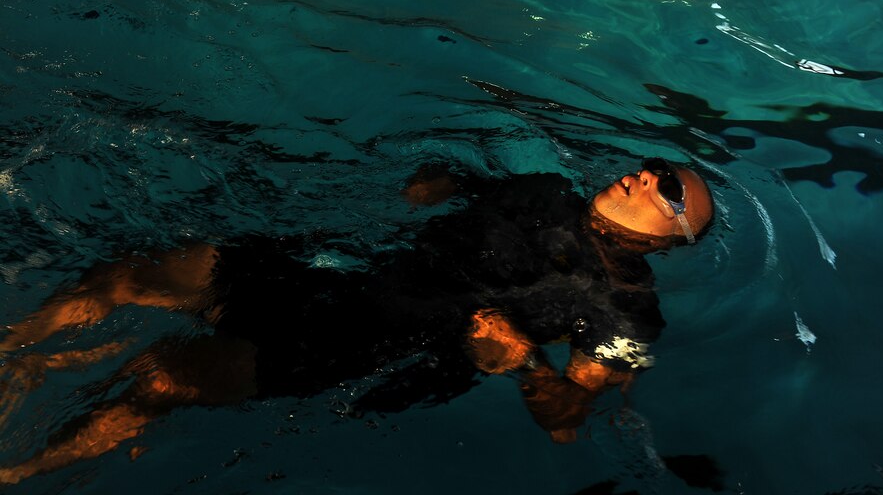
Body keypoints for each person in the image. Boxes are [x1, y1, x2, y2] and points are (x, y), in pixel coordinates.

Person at [0, 157, 714, 484]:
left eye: (669, 186)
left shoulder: (630, 313)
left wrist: (523, 361)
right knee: (123, 274)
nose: (647, 175)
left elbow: (565, 421)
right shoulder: (546, 191)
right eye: (654, 166)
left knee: (159, 380)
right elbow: (475, 182)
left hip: (363, 341)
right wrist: (446, 180)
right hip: (335, 272)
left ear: (673, 232)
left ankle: (19, 471)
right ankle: (12, 350)